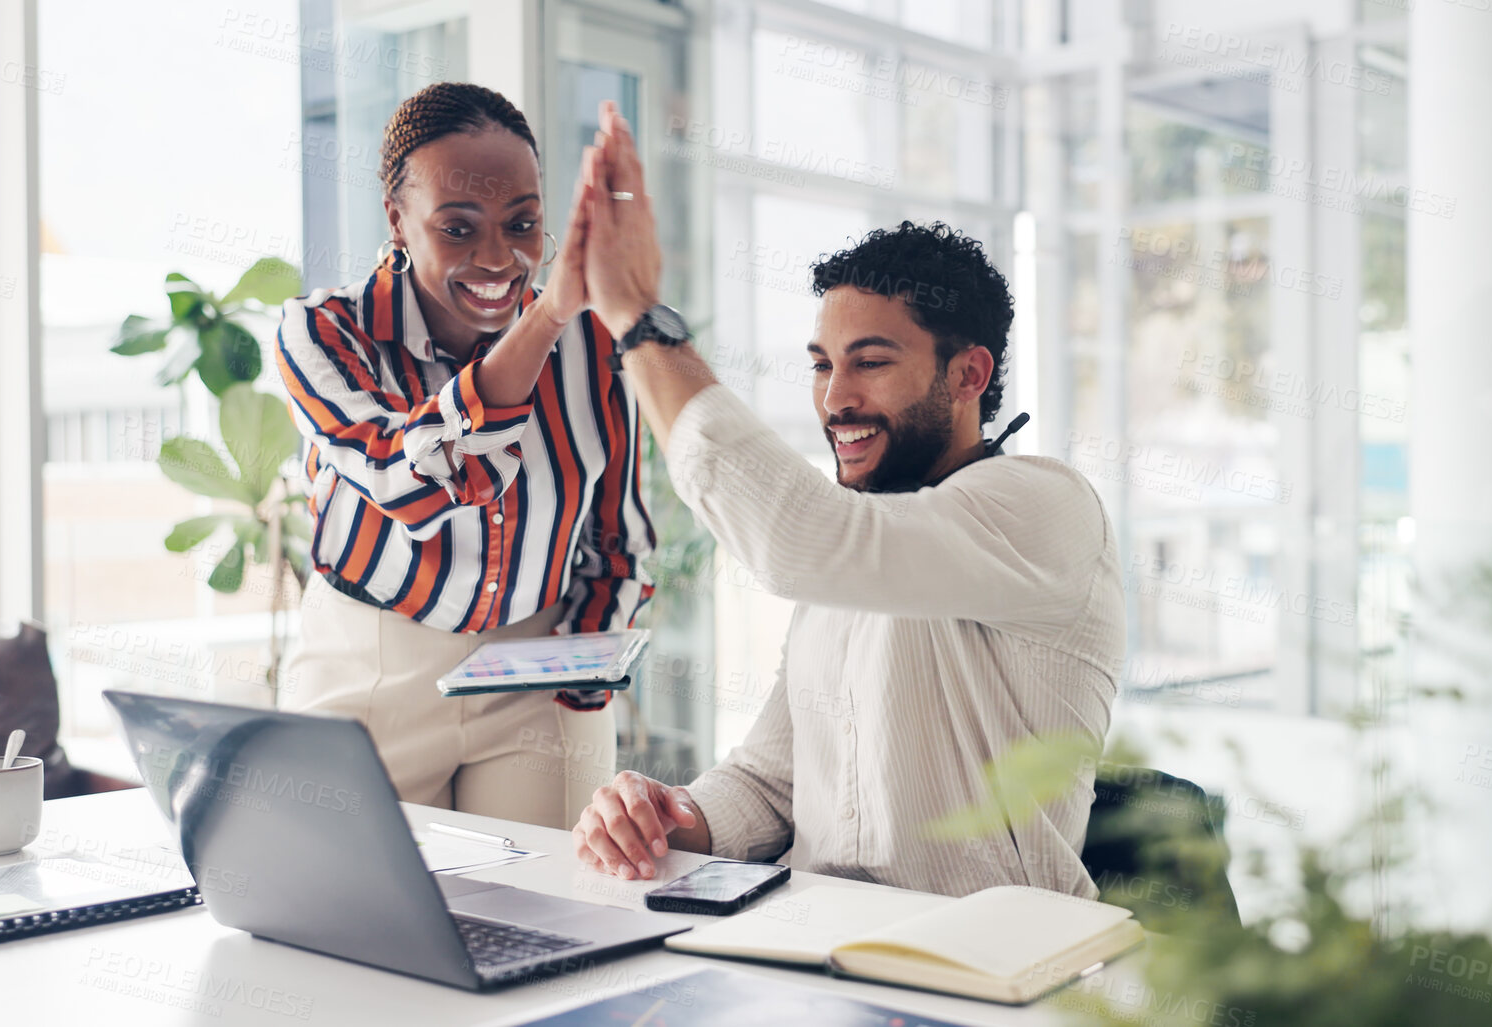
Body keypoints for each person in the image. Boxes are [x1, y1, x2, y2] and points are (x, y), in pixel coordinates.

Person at [565, 106, 1123, 898]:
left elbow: (798, 538)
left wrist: (637, 319)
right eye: (823, 364)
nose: (835, 399)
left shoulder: (1040, 506)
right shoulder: (862, 540)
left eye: (871, 362)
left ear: (968, 375)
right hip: (821, 947)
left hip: (984, 963)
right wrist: (668, 812)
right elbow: (768, 785)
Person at [275, 84, 653, 829]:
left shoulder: (595, 346)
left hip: (535, 677)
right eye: (457, 227)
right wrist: (545, 318)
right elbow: (412, 479)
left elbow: (619, 539)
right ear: (398, 220)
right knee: (361, 920)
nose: (498, 258)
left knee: (556, 917)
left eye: (523, 223)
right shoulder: (322, 334)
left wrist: (577, 682)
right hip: (370, 668)